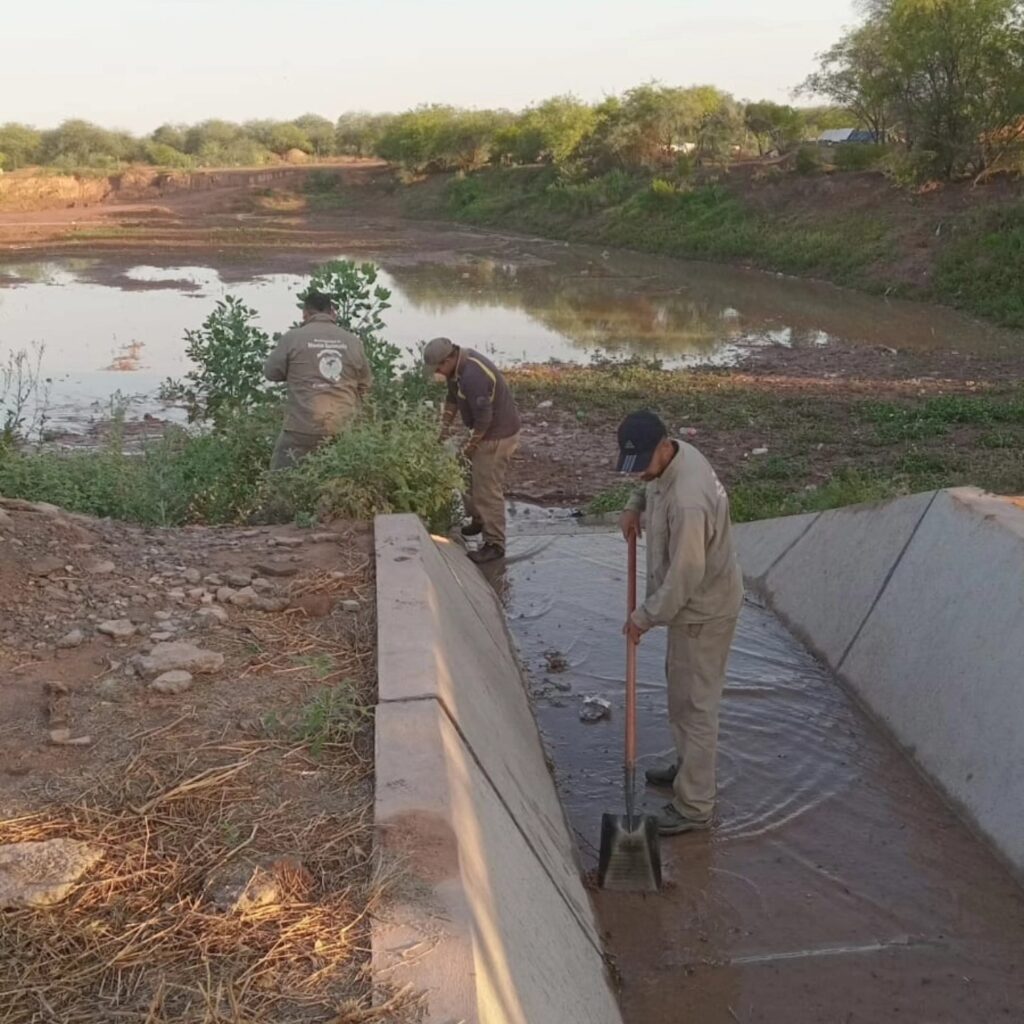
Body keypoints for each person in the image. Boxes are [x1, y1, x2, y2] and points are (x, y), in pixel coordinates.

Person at [617, 410, 743, 836]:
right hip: (690, 606)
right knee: (681, 692)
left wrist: (644, 617)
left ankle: (694, 805)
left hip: (703, 609)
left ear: (663, 446)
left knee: (695, 707)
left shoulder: (688, 501)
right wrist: (635, 505)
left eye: (642, 467)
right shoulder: (673, 459)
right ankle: (686, 768)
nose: (639, 476)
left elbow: (685, 575)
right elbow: (650, 486)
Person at [422, 337, 521, 565]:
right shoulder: (456, 370)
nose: (437, 372)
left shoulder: (473, 375)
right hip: (484, 430)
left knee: (487, 489)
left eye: (438, 367)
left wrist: (471, 446)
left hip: (497, 435)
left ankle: (495, 544)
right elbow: (451, 397)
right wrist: (443, 428)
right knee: (466, 474)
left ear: (449, 359)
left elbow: (484, 419)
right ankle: (478, 518)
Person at [263, 291, 372, 470]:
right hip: (343, 426)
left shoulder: (292, 338)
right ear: (333, 313)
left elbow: (271, 373)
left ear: (305, 314)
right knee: (339, 479)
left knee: (281, 480)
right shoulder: (353, 341)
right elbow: (365, 384)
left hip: (302, 427)